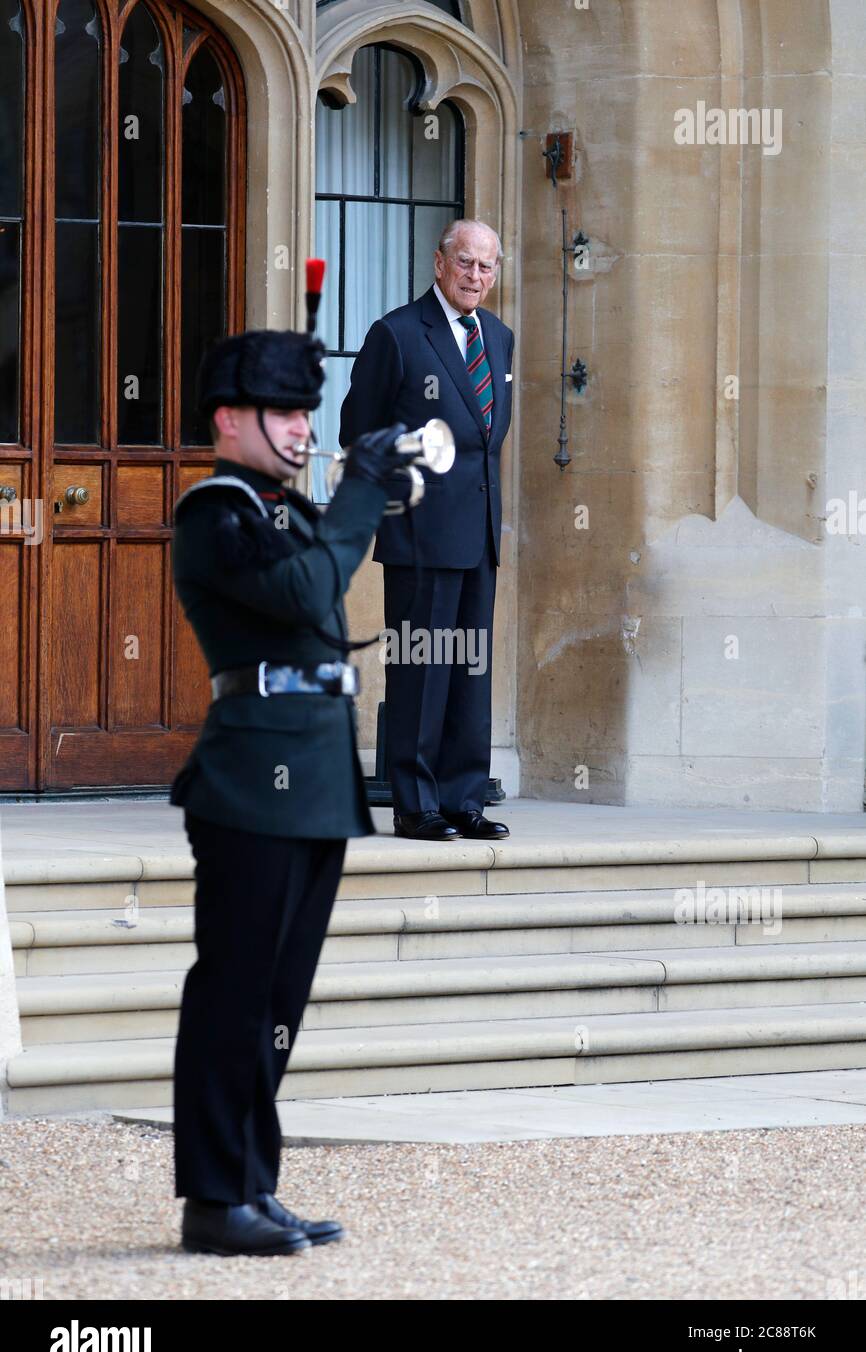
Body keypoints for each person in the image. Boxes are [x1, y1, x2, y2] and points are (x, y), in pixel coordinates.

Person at [168, 327, 407, 1257]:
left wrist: (386, 485)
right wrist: (361, 492)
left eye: (310, 413)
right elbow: (313, 591)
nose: (304, 429)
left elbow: (327, 568)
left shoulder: (284, 509)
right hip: (252, 782)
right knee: (233, 992)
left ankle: (253, 1184)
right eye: (285, 412)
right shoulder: (214, 513)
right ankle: (213, 1197)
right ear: (231, 419)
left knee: (279, 999)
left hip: (312, 781)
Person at [339, 219, 514, 842]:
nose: (475, 277)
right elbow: (357, 432)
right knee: (423, 667)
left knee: (470, 670)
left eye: (487, 267)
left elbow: (488, 440)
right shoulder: (397, 334)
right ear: (439, 263)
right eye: (465, 263)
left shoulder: (499, 337)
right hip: (420, 535)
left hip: (480, 535)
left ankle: (464, 798)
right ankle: (415, 805)